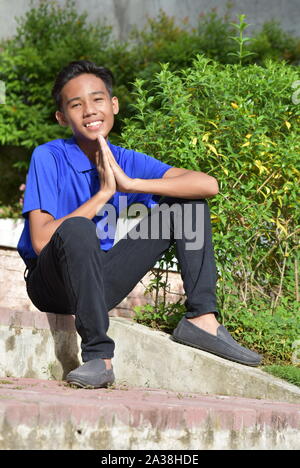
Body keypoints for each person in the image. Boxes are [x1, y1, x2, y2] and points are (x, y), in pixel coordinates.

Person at [17, 60, 262, 388]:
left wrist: (132, 184)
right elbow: (41, 241)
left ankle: (201, 319)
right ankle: (98, 357)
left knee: (187, 205)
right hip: (52, 284)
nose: (90, 110)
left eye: (98, 99)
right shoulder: (49, 156)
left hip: (99, 283)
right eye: (76, 105)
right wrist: (104, 193)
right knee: (77, 228)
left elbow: (207, 184)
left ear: (113, 105)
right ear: (62, 117)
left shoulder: (128, 160)